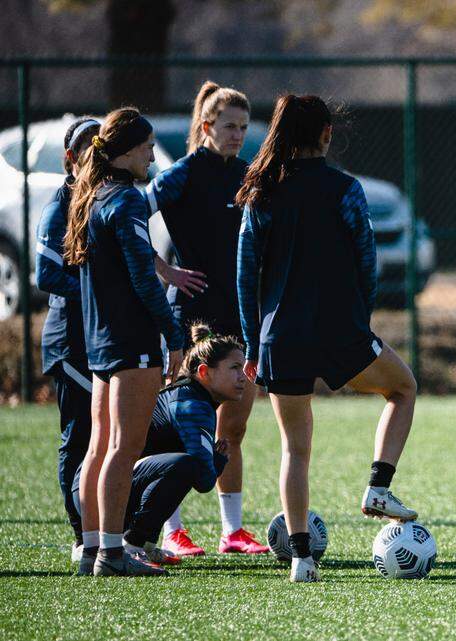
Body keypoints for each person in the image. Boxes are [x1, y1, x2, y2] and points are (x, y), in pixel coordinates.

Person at [236, 94, 420, 583]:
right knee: (402, 389)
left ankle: (300, 559)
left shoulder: (259, 192)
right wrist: (361, 317)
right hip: (340, 328)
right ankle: (379, 486)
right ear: (326, 134)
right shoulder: (345, 188)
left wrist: (254, 344)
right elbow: (367, 260)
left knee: (295, 449)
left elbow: (245, 274)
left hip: (281, 336)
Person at [144, 80, 269, 557]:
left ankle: (232, 530)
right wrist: (165, 269)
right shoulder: (181, 174)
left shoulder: (248, 175)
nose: (237, 134)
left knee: (231, 428)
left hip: (236, 315)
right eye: (228, 126)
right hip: (188, 317)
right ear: (206, 126)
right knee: (174, 427)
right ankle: (170, 530)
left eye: (243, 127)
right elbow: (130, 215)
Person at [64, 107, 186, 577]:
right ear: (130, 149)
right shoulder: (128, 199)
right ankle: (113, 555)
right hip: (130, 340)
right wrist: (172, 336)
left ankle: (93, 547)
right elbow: (142, 276)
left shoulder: (90, 195)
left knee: (100, 446)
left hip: (99, 341)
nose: (153, 154)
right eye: (149, 146)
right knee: (123, 448)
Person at [71, 324, 244, 574]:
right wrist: (217, 460)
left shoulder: (195, 396)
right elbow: (204, 480)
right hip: (101, 493)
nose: (243, 377)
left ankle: (145, 543)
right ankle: (132, 545)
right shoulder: (192, 405)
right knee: (185, 465)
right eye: (234, 368)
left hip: (94, 489)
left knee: (181, 464)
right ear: (205, 372)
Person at [35, 116, 100, 560]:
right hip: (71, 341)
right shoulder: (61, 205)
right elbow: (45, 274)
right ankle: (83, 536)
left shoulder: (109, 200)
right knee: (79, 437)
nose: (95, 155)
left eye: (102, 146)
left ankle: (119, 531)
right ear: (69, 159)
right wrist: (100, 291)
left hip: (101, 337)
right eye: (87, 148)